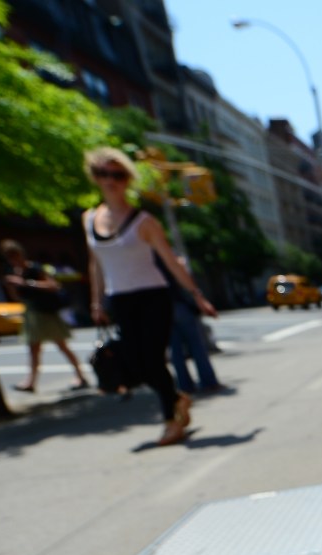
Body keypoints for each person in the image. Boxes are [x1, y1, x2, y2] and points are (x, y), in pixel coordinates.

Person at [83, 146, 217, 446]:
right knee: (136, 363)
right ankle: (177, 399)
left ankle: (171, 421)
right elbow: (96, 263)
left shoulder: (144, 221)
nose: (109, 180)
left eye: (116, 174)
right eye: (102, 173)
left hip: (153, 296)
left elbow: (171, 262)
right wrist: (96, 301)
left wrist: (196, 296)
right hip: (120, 299)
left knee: (153, 359)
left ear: (127, 179)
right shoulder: (89, 219)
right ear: (94, 177)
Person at [1, 239, 88, 393]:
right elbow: (17, 298)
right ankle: (31, 382)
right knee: (33, 349)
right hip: (32, 313)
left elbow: (53, 285)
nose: (13, 260)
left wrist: (26, 283)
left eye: (14, 255)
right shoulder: (14, 273)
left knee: (62, 346)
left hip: (46, 312)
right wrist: (11, 286)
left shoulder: (34, 269)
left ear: (21, 254)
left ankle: (80, 376)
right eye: (9, 257)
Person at [162, 255, 223, 395]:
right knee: (196, 345)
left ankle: (185, 386)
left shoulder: (147, 262)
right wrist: (198, 296)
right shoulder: (169, 260)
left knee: (175, 350)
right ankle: (208, 381)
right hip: (179, 306)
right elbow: (182, 277)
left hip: (162, 309)